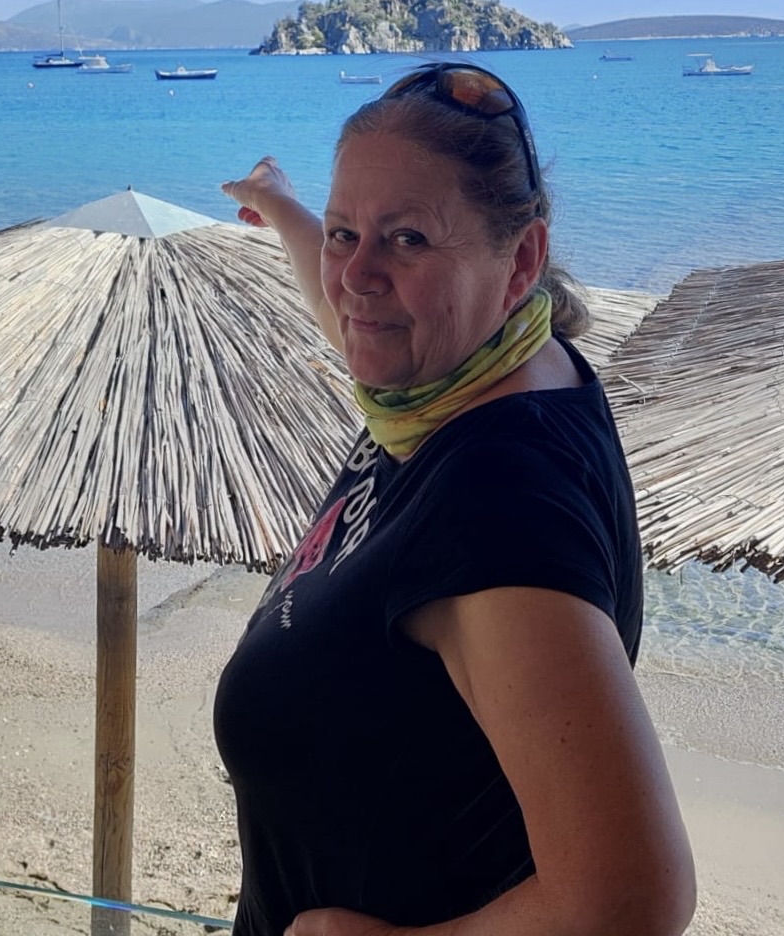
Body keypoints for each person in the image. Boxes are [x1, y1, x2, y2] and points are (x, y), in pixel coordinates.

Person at [215, 62, 695, 936]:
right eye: (343, 233)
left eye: (407, 239)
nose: (356, 276)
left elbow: (632, 898)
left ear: (521, 260)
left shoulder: (496, 498)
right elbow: (352, 309)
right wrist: (282, 209)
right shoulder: (473, 375)